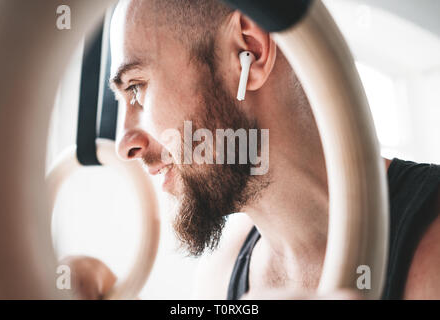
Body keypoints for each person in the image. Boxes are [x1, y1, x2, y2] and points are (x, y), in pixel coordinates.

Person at [63, 0, 440, 299]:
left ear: (249, 52)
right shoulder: (221, 274)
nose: (126, 143)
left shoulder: (431, 248)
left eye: (137, 88)